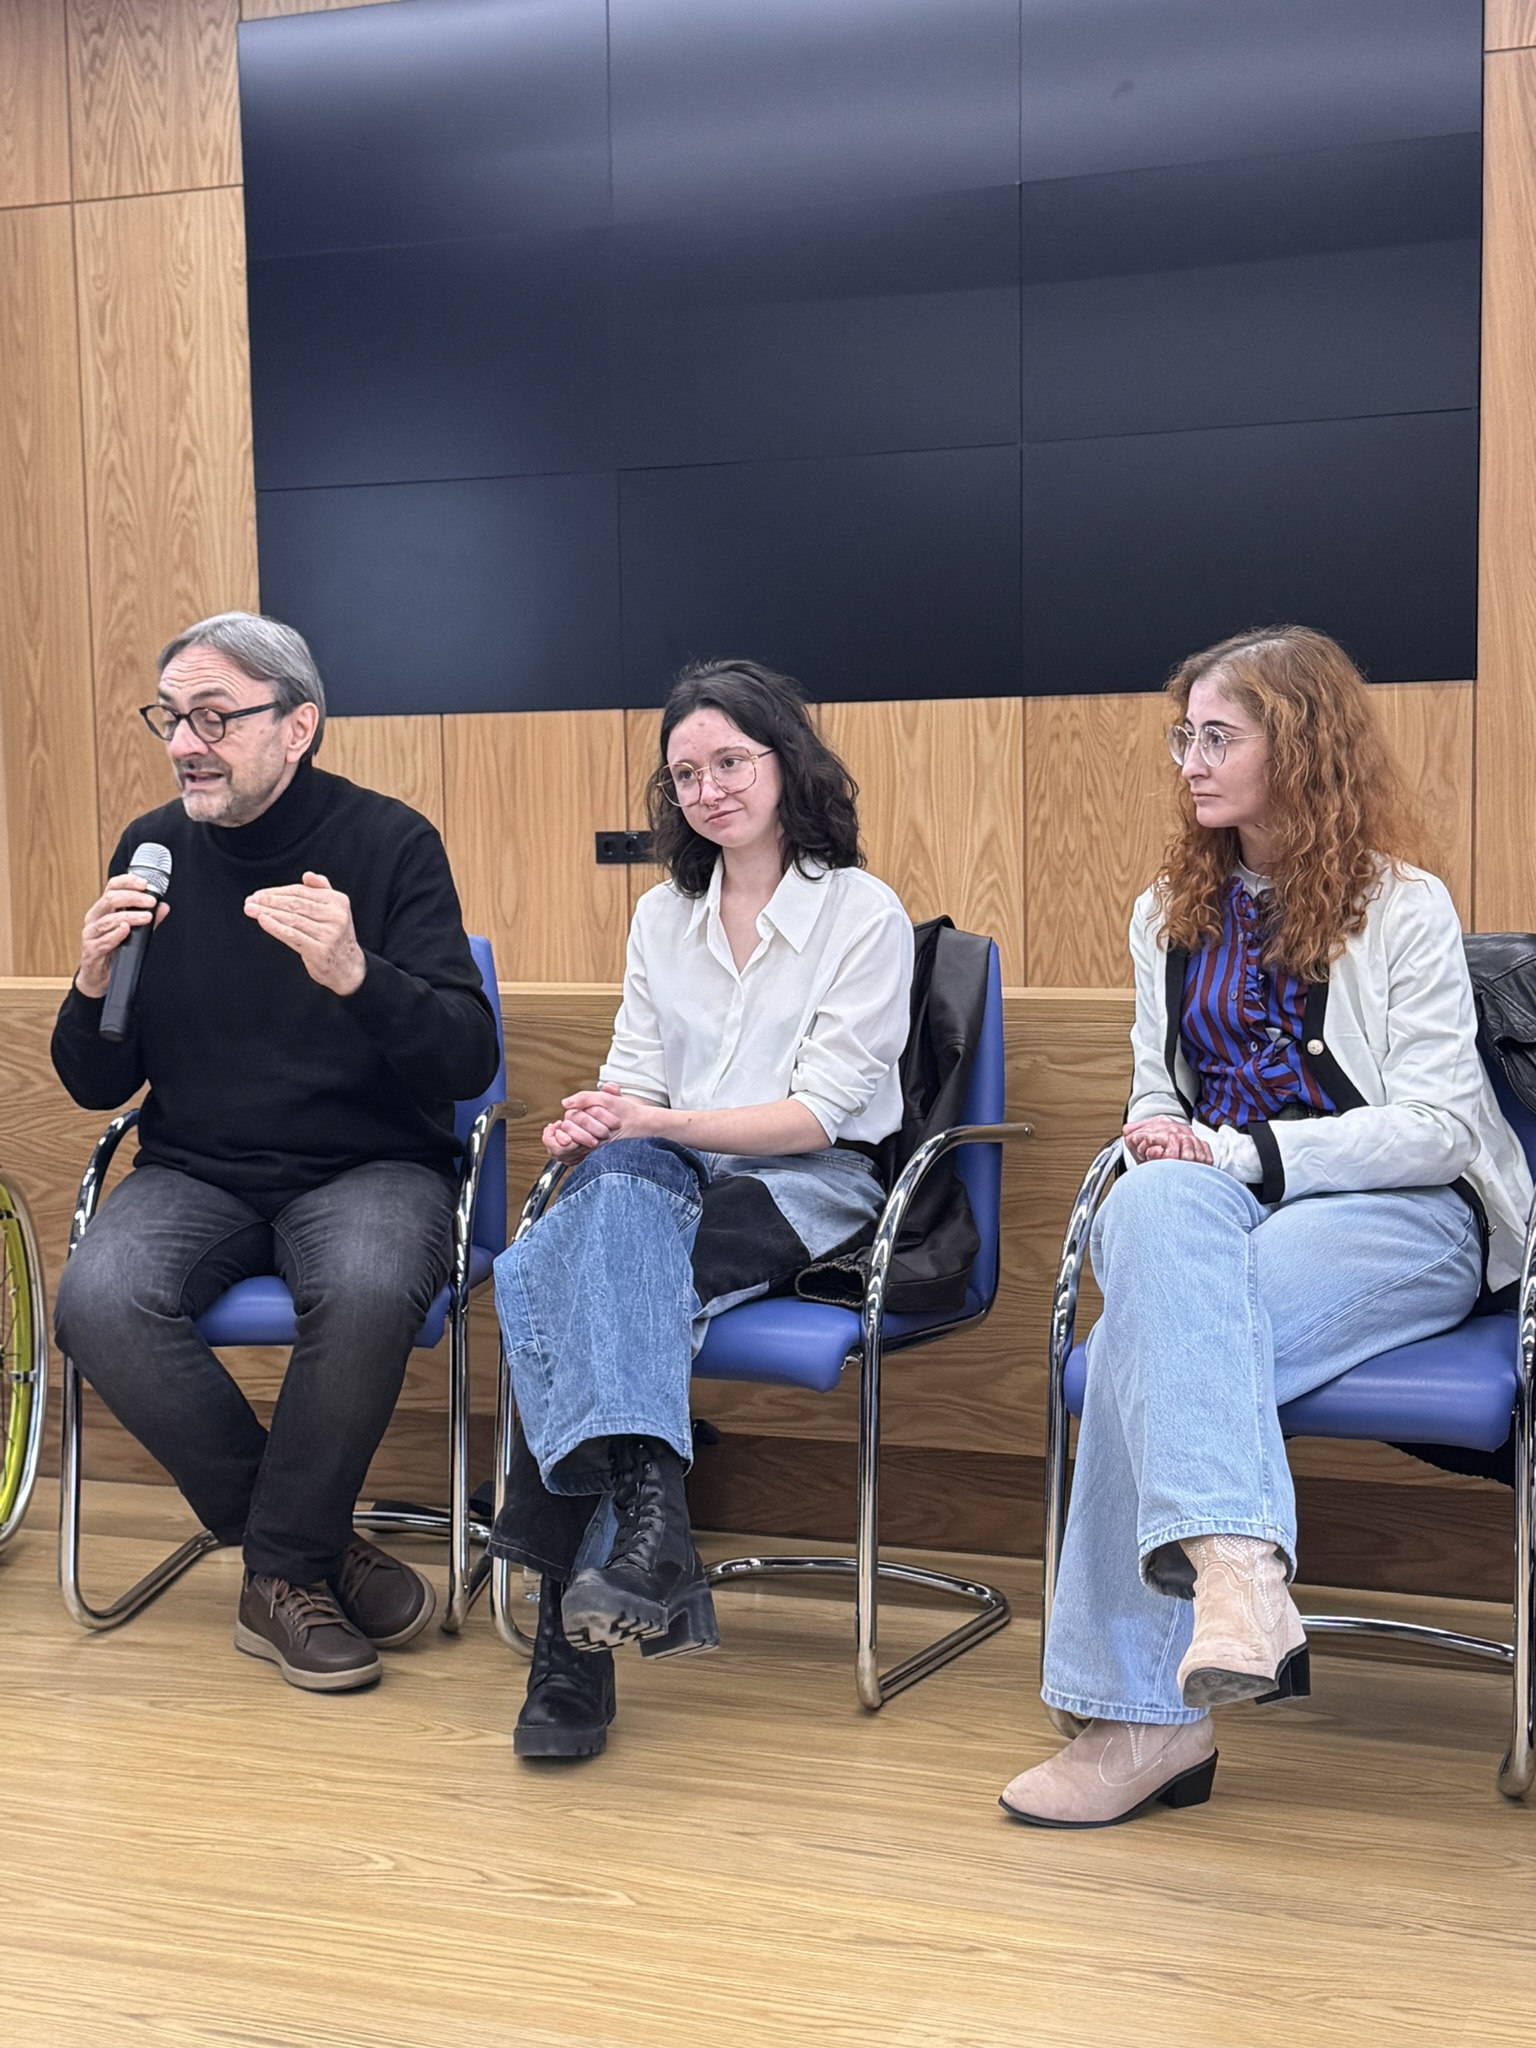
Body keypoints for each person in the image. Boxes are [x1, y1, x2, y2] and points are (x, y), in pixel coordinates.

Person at [1000, 626, 1534, 1828]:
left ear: (1297, 742)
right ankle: (1239, 1577)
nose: (1189, 760)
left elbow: (1443, 1126)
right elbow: (1155, 1089)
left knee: (1150, 1338)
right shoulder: (1164, 912)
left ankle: (1140, 1720)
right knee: (1153, 1208)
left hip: (1400, 1219)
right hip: (1210, 1213)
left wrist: (1235, 1151)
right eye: (1181, 736)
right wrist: (1161, 1138)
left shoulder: (1404, 908)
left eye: (1217, 735)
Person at [52, 613, 500, 1693]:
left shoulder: (392, 842)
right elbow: (96, 1082)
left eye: (215, 715)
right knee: (97, 1297)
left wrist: (357, 970)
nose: (186, 741)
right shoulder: (150, 847)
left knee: (364, 1283)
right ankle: (303, 1553)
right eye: (172, 716)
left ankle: (282, 1565)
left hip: (370, 1165)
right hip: (196, 1166)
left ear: (299, 725)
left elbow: (463, 1052)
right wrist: (90, 977)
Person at [491, 659, 914, 1760]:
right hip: (664, 1174)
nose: (710, 787)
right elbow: (636, 1073)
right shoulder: (660, 915)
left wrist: (652, 1126)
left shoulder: (860, 912)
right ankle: (648, 1536)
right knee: (582, 1229)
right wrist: (600, 1117)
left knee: (547, 1270)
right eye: (686, 773)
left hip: (805, 1185)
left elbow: (821, 1114)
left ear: (787, 761)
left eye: (731, 760)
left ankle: (569, 1646)